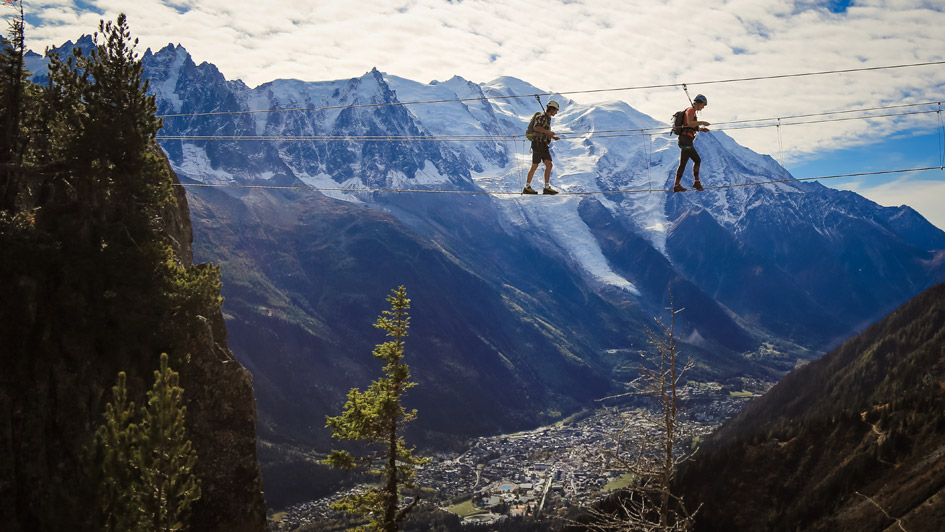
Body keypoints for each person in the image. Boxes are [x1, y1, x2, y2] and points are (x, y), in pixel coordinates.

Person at [674, 94, 710, 193]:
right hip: (686, 139)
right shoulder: (690, 110)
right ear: (698, 103)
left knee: (683, 164)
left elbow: (691, 126)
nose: (703, 107)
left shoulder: (692, 112)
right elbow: (689, 123)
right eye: (703, 104)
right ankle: (696, 182)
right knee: (697, 160)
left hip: (684, 140)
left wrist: (701, 129)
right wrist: (702, 122)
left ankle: (677, 185)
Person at [523, 100, 561, 195]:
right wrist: (549, 133)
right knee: (535, 165)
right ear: (552, 109)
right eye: (556, 110)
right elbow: (536, 127)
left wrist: (552, 136)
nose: (556, 112)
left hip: (543, 144)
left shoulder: (548, 118)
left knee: (549, 164)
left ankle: (546, 187)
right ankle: (527, 187)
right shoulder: (542, 116)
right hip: (537, 144)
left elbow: (544, 131)